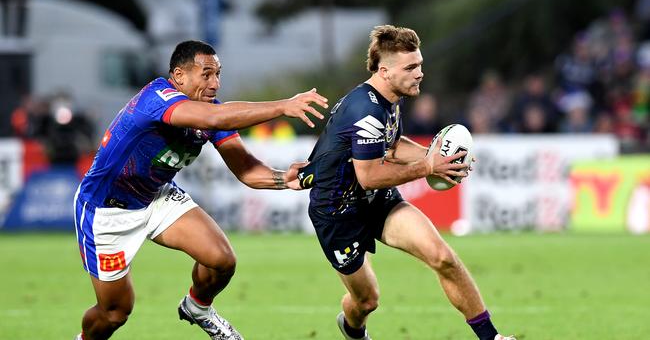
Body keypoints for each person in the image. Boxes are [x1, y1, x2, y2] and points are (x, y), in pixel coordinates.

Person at [73, 40, 328, 340]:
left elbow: (246, 169)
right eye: (206, 74)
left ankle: (198, 307)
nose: (215, 83)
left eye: (218, 74)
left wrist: (284, 179)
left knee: (221, 260)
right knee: (115, 312)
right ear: (179, 76)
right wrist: (283, 106)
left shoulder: (212, 112)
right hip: (107, 209)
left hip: (156, 196)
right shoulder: (157, 97)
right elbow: (215, 119)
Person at [297, 25, 515, 340]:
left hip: (376, 201)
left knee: (442, 257)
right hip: (337, 213)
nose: (419, 73)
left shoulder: (390, 97)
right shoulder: (365, 110)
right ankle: (352, 329)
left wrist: (434, 156)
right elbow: (369, 174)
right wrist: (427, 166)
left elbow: (392, 144)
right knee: (366, 300)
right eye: (411, 67)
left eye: (420, 65)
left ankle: (491, 337)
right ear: (384, 71)